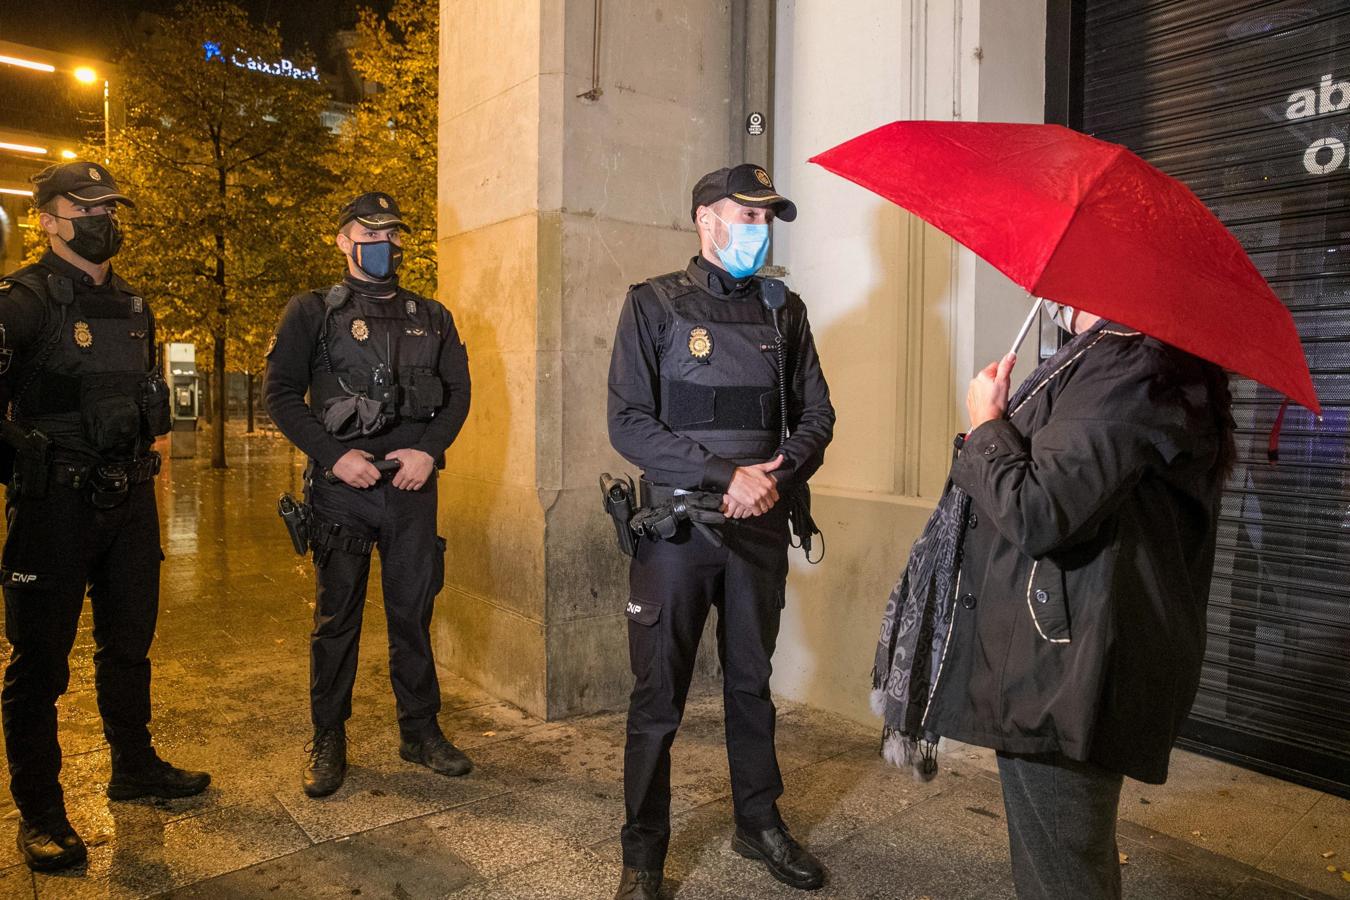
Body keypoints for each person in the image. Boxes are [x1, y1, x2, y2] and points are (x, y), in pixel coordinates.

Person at [925, 304, 1234, 898]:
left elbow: (1037, 511)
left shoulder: (1130, 366)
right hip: (1066, 652)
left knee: (1060, 869)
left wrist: (987, 423)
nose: (1047, 292)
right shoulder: (1121, 360)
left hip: (1069, 669)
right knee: (1060, 857)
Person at [606, 164, 835, 899]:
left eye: (768, 220)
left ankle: (758, 822)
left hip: (759, 528)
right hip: (678, 531)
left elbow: (817, 417)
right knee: (658, 698)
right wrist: (720, 475)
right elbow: (628, 422)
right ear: (706, 221)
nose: (759, 232)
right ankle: (642, 854)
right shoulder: (653, 306)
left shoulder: (783, 310)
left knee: (751, 684)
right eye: (748, 217)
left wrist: (775, 473)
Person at [0, 161, 210, 872]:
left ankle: (135, 765)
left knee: (128, 645)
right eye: (83, 205)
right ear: (47, 219)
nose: (101, 217)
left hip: (128, 501)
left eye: (109, 205)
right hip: (52, 506)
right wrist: (20, 455)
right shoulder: (21, 302)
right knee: (39, 665)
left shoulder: (133, 305)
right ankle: (41, 812)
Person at [264, 192, 471, 798]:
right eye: (368, 229)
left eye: (391, 230)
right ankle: (329, 738)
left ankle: (420, 730)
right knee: (336, 622)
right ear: (342, 240)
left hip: (410, 489)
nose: (382, 240)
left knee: (413, 615)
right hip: (342, 493)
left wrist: (427, 452)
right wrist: (335, 456)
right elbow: (279, 396)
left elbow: (458, 395)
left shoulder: (431, 315)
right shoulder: (311, 312)